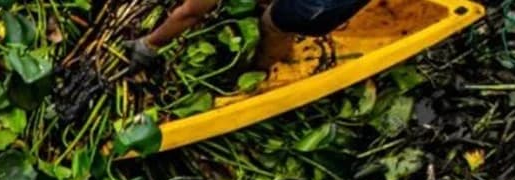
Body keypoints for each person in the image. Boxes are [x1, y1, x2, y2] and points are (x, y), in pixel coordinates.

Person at [129, 0, 366, 70]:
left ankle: (261, 69)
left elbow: (190, 13)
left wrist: (149, 44)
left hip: (321, 5)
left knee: (274, 25)